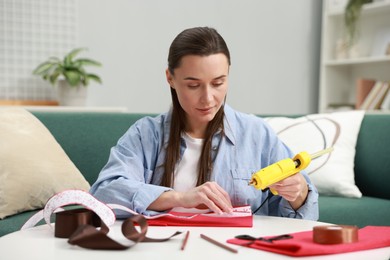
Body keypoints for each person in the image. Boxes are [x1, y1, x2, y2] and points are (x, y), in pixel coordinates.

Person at [90, 26, 318, 220]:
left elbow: (304, 214)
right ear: (170, 78)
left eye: (218, 83)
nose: (208, 98)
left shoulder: (256, 134)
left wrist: (298, 194)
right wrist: (181, 198)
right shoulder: (145, 134)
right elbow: (104, 193)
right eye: (193, 85)